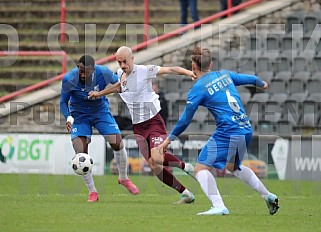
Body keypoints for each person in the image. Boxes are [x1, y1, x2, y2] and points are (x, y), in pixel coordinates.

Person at [158, 47, 279, 215]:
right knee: (233, 167)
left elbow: (185, 119)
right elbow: (252, 79)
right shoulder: (224, 75)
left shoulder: (197, 89)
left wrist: (168, 139)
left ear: (193, 66)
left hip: (228, 131)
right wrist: (262, 83)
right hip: (245, 128)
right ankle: (268, 196)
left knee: (200, 169)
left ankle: (219, 206)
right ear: (211, 64)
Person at [88, 46, 196, 204]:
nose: (123, 65)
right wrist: (99, 93)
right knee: (154, 166)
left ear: (132, 59)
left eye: (125, 61)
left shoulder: (144, 71)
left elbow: (170, 69)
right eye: (119, 62)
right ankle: (186, 193)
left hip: (153, 121)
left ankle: (185, 166)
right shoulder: (120, 74)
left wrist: (188, 73)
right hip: (138, 127)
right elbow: (119, 86)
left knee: (157, 157)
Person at [60, 55, 139, 202]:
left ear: (93, 70)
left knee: (117, 143)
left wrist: (103, 93)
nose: (82, 74)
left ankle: (123, 178)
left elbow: (121, 85)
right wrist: (68, 117)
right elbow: (63, 102)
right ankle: (92, 192)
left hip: (100, 112)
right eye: (80, 71)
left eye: (86, 72)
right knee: (80, 153)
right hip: (79, 116)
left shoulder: (104, 73)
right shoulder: (69, 79)